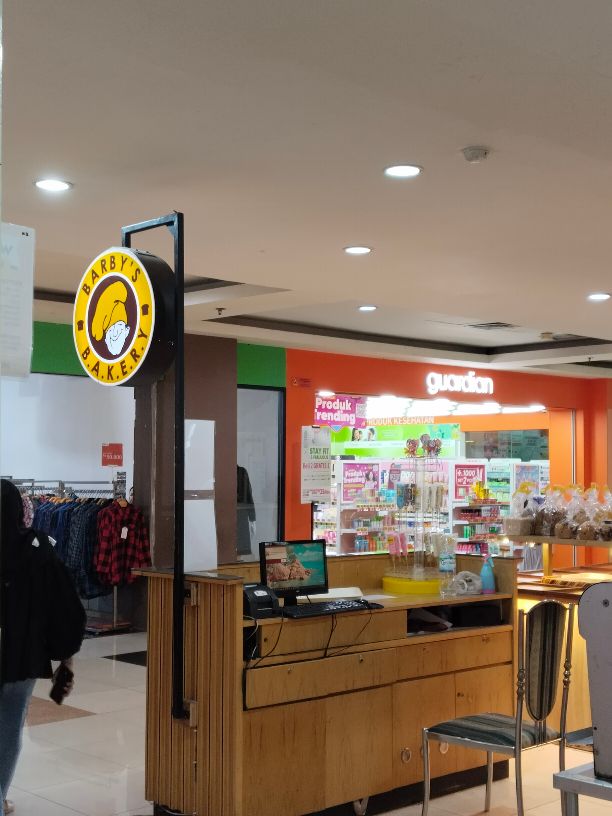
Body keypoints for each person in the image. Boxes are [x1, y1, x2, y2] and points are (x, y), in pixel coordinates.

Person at [0, 479, 85, 813]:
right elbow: (65, 608)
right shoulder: (38, 550)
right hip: (22, 656)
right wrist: (66, 659)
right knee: (9, 726)